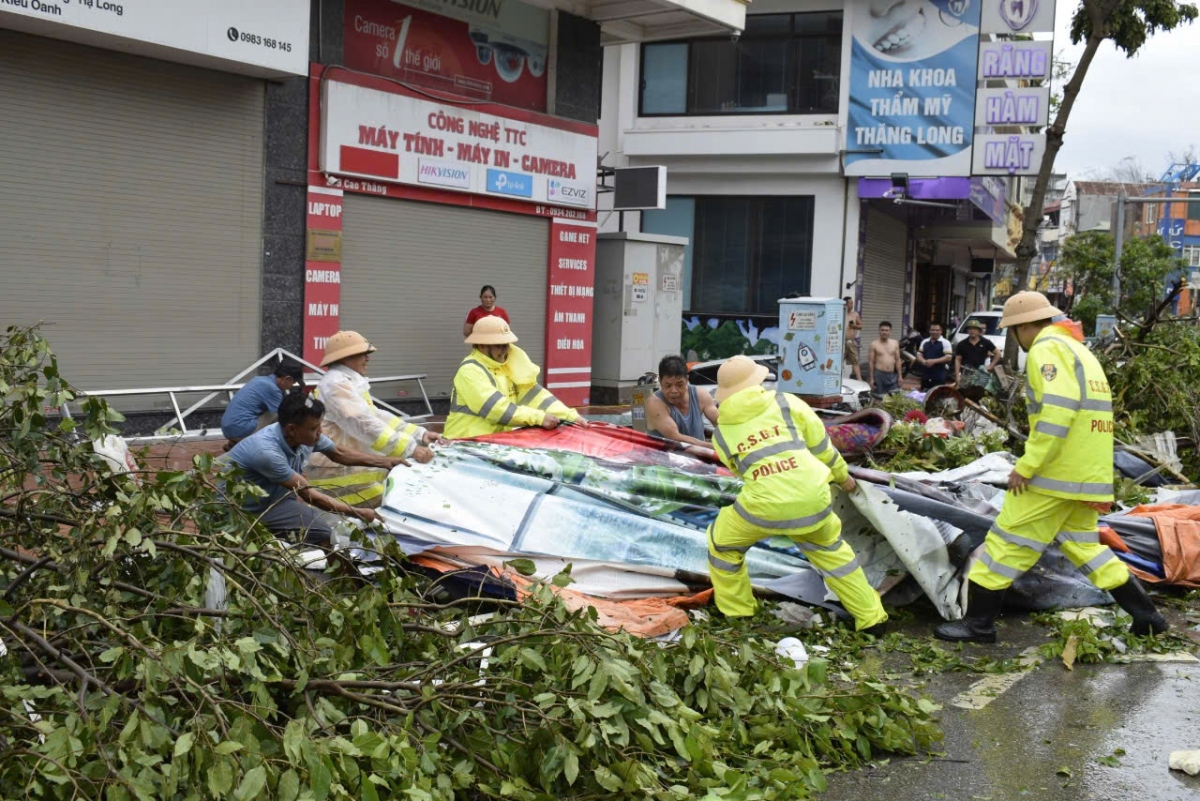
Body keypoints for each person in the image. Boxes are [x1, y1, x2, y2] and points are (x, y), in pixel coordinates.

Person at [934, 292, 1167, 644]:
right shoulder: (1079, 351)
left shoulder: (1046, 350)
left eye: (1014, 330)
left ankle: (978, 624)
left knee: (1004, 542)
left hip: (1054, 475)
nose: (1015, 337)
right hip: (1086, 474)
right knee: (1085, 546)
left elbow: (1057, 415)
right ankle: (1147, 616)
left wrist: (1027, 466)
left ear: (1024, 326)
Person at [705, 355, 888, 631]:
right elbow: (823, 448)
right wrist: (842, 477)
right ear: (758, 380)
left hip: (762, 507)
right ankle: (872, 619)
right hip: (812, 498)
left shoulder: (721, 433)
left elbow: (741, 471)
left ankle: (738, 613)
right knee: (834, 555)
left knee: (723, 546)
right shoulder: (787, 404)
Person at [221, 392, 409, 545]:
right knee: (324, 535)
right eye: (314, 428)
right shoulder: (266, 452)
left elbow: (338, 453)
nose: (320, 433)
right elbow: (309, 495)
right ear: (292, 429)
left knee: (325, 533)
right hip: (239, 511)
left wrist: (385, 462)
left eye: (319, 426)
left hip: (274, 501)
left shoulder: (306, 437)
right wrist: (358, 512)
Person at [307, 330, 441, 506]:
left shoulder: (345, 381)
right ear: (346, 357)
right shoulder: (336, 384)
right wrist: (410, 449)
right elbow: (365, 424)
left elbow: (375, 415)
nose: (368, 359)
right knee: (385, 512)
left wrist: (418, 434)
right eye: (363, 354)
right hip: (338, 471)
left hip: (347, 468)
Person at [445, 316, 582, 438]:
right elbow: (497, 409)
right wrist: (539, 418)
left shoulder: (506, 366)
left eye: (507, 344)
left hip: (490, 444)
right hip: (463, 445)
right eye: (499, 345)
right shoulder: (470, 370)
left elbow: (537, 398)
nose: (505, 350)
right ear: (482, 345)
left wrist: (571, 417)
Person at [220, 362, 303, 449]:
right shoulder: (273, 389)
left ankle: (235, 444)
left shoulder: (259, 379)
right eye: (293, 382)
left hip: (228, 428)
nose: (292, 386)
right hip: (241, 429)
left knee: (271, 410)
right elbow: (284, 416)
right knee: (280, 415)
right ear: (287, 379)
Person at [645, 355, 719, 447]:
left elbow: (720, 423)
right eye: (668, 385)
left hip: (698, 458)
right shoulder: (654, 403)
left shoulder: (701, 395)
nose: (674, 391)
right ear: (660, 382)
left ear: (687, 380)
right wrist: (714, 447)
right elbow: (675, 437)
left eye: (679, 385)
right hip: (665, 459)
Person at [954, 318, 1000, 385]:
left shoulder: (985, 342)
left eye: (975, 329)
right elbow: (958, 360)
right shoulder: (962, 344)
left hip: (981, 373)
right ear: (967, 330)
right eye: (970, 329)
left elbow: (998, 353)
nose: (972, 331)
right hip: (966, 373)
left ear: (979, 331)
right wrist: (957, 375)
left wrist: (990, 366)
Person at [867, 321, 903, 398]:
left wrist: (900, 376)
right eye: (882, 330)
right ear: (879, 331)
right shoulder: (874, 344)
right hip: (879, 375)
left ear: (890, 331)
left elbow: (897, 360)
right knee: (879, 398)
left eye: (887, 330)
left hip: (892, 375)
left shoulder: (895, 343)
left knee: (894, 398)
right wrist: (871, 379)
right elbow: (871, 362)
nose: (884, 332)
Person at [915, 321, 953, 390]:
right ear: (929, 331)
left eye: (937, 330)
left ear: (941, 331)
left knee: (937, 397)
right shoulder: (924, 342)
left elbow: (948, 357)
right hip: (925, 376)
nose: (934, 332)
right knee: (924, 396)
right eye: (932, 330)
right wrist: (924, 361)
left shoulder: (945, 342)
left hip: (939, 377)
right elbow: (919, 355)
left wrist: (933, 361)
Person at [843, 297, 863, 381]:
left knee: (855, 360)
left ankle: (859, 379)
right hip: (840, 341)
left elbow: (861, 326)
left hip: (851, 341)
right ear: (845, 304)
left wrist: (854, 326)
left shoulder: (855, 314)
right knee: (838, 360)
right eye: (850, 303)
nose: (852, 305)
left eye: (852, 303)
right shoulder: (840, 313)